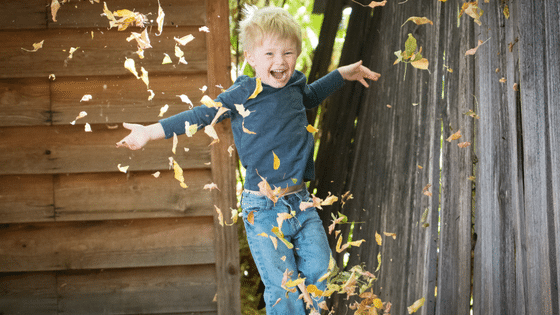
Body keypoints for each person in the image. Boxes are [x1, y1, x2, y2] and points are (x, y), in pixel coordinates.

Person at [116, 5, 380, 314]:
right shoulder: (243, 93)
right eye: (269, 54)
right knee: (285, 290)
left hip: (302, 203)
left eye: (288, 53)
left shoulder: (294, 84)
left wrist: (341, 74)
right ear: (251, 58)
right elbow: (201, 115)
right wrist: (151, 131)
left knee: (322, 277)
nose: (280, 61)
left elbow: (310, 96)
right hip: (264, 209)